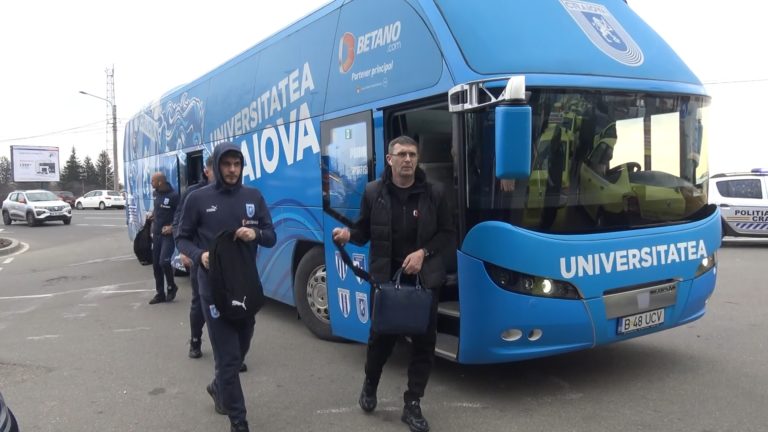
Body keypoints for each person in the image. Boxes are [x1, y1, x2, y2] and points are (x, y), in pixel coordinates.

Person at [332, 135, 454, 432]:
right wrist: (349, 236)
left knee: (424, 345)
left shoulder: (434, 193)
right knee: (380, 342)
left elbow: (447, 234)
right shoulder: (374, 192)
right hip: (385, 282)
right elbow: (364, 231)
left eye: (413, 154)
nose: (408, 160)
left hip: (423, 282)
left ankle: (412, 403)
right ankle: (370, 384)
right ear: (390, 159)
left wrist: (423, 254)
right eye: (402, 155)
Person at [176, 142, 276, 432]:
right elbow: (182, 238)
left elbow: (271, 236)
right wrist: (199, 256)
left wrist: (255, 233)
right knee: (229, 358)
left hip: (245, 285)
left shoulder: (253, 196)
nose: (232, 170)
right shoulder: (198, 198)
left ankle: (218, 386)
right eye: (226, 164)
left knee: (242, 344)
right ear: (216, 166)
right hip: (213, 287)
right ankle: (239, 422)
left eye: (237, 165)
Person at [174, 155, 214, 359]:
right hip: (200, 259)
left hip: (227, 263)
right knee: (199, 303)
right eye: (217, 168)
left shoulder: (233, 194)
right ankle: (195, 340)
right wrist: (184, 251)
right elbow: (178, 224)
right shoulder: (193, 193)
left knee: (228, 305)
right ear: (207, 171)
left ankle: (227, 351)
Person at [148, 172, 180, 304]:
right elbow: (158, 210)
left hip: (168, 236)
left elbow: (180, 214)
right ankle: (160, 293)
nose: (151, 183)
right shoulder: (156, 194)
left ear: (160, 182)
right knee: (156, 265)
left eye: (153, 181)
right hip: (156, 235)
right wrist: (153, 215)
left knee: (164, 262)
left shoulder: (174, 196)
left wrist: (172, 227)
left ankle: (172, 286)